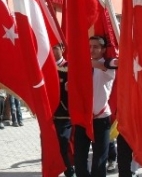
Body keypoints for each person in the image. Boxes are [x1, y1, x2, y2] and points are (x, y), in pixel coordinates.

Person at [73, 36, 116, 177]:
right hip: (83, 118)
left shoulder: (107, 66)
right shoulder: (82, 65)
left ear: (103, 50)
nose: (92, 49)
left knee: (99, 159)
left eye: (96, 47)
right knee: (79, 158)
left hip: (101, 119)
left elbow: (110, 65)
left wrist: (89, 62)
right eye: (89, 46)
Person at [52, 43, 73, 176]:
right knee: (50, 144)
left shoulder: (68, 67)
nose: (53, 51)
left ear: (62, 49)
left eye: (55, 48)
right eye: (51, 48)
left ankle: (69, 171)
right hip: (49, 113)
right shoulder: (45, 66)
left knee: (63, 143)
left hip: (64, 113)